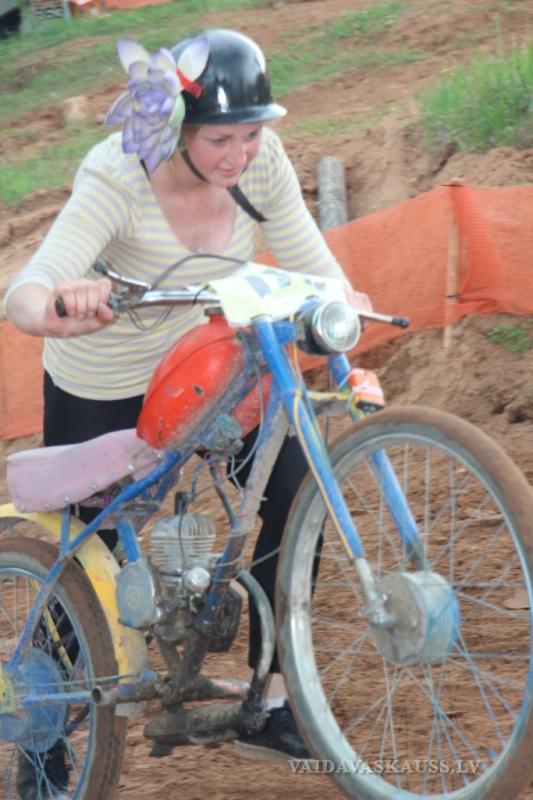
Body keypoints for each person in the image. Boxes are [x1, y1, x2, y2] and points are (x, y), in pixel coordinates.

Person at [5, 27, 372, 786]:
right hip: (104, 380)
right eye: (219, 139)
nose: (239, 154)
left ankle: (275, 701)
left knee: (295, 488)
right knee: (90, 559)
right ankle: (44, 731)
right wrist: (58, 308)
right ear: (176, 129)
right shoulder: (116, 176)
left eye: (250, 133)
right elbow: (26, 291)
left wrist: (342, 302)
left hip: (205, 369)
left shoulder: (261, 162)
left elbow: (312, 263)